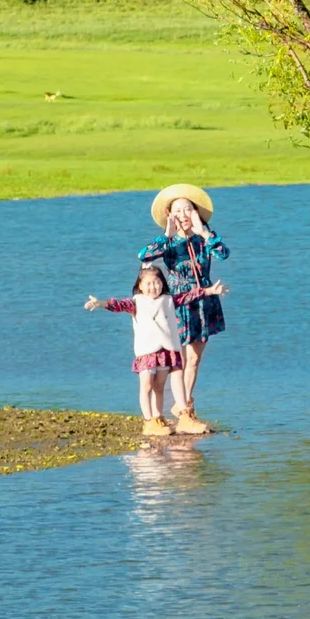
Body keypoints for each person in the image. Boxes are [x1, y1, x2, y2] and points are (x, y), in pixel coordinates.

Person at [85, 261, 214, 438]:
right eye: (149, 284)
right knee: (146, 386)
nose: (154, 287)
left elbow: (188, 296)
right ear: (140, 286)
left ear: (163, 283)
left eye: (157, 282)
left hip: (168, 349)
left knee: (159, 387)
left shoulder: (168, 299)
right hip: (147, 352)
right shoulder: (136, 303)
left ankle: (167, 417)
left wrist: (209, 291)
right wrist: (100, 303)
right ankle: (149, 421)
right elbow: (119, 304)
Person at [140, 182, 229, 436]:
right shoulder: (167, 242)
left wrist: (203, 233)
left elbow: (223, 254)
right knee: (175, 359)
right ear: (170, 216)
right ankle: (161, 412)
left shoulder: (205, 238)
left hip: (205, 300)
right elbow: (144, 257)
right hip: (178, 302)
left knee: (194, 359)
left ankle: (185, 408)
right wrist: (167, 235)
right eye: (177, 211)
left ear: (196, 213)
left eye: (187, 210)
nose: (183, 216)